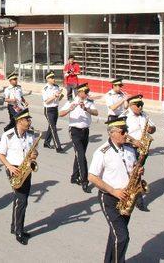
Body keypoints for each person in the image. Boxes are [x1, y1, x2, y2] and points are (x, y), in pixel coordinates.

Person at [88, 116, 139, 263]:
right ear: (112, 133)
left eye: (126, 131)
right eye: (123, 132)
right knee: (122, 237)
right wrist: (113, 191)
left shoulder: (129, 150)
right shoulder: (102, 152)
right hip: (110, 198)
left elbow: (131, 168)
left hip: (127, 197)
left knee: (115, 235)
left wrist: (137, 171)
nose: (126, 134)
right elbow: (92, 177)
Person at [0, 108, 38, 245]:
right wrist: (9, 166)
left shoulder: (30, 135)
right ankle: (19, 231)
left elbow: (34, 151)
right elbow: (1, 155)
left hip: (26, 168)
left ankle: (14, 226)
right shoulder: (7, 135)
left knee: (21, 199)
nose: (29, 121)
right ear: (19, 121)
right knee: (21, 200)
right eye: (27, 119)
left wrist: (34, 155)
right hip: (14, 169)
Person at [59, 83, 97, 193]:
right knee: (81, 155)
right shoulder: (71, 101)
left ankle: (74, 176)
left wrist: (86, 109)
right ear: (80, 93)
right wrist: (69, 109)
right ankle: (84, 181)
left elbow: (96, 112)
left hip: (85, 131)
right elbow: (60, 113)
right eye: (85, 92)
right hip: (75, 131)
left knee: (79, 155)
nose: (87, 94)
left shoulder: (89, 102)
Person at [124, 94, 156, 211]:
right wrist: (134, 141)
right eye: (138, 105)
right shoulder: (125, 117)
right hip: (130, 147)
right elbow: (122, 134)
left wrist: (151, 129)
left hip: (143, 147)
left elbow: (153, 128)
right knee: (133, 173)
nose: (140, 107)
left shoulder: (144, 115)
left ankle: (134, 196)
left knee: (138, 173)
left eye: (141, 105)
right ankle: (136, 199)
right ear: (131, 105)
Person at [42, 71, 64, 153]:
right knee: (53, 128)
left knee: (51, 127)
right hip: (48, 110)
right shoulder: (45, 89)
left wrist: (60, 95)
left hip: (55, 108)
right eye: (52, 78)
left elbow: (59, 99)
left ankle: (46, 142)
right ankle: (58, 147)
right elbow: (46, 101)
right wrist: (55, 96)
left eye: (54, 77)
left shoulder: (56, 86)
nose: (54, 79)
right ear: (47, 79)